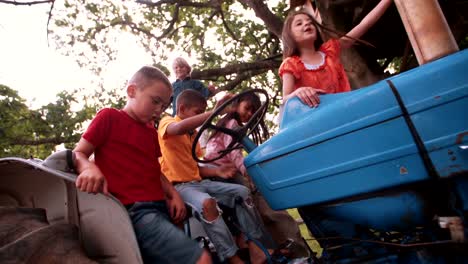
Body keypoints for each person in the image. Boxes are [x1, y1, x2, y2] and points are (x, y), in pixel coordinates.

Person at [73, 66, 211, 264]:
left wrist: (173, 194)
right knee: (201, 259)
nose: (158, 110)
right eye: (155, 101)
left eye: (163, 106)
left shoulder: (150, 133)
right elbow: (79, 153)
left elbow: (154, 170)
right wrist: (88, 168)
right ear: (132, 91)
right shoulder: (109, 118)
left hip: (161, 207)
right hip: (135, 211)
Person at [158, 90, 273, 264]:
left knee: (241, 192)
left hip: (198, 182)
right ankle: (232, 257)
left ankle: (255, 246)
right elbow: (179, 127)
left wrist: (218, 171)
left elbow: (196, 167)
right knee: (207, 204)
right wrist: (215, 113)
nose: (202, 118)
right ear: (182, 108)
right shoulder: (168, 122)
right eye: (198, 112)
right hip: (180, 187)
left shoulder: (193, 135)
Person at [204, 92, 310, 258]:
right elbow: (234, 155)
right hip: (221, 170)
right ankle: (271, 247)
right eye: (247, 108)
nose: (248, 114)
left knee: (256, 197)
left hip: (221, 169)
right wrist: (249, 175)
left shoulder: (226, 123)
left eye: (252, 112)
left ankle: (279, 245)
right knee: (256, 195)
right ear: (236, 104)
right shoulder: (232, 125)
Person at [280, 0, 393, 107]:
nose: (307, 24)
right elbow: (285, 100)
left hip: (345, 108)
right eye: (299, 24)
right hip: (317, 120)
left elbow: (364, 24)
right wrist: (298, 92)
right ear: (290, 36)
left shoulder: (330, 50)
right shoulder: (290, 64)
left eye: (310, 23)